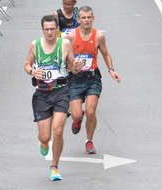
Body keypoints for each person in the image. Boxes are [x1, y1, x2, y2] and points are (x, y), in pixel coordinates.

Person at [24, 15, 82, 181]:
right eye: (46, 29)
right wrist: (32, 71)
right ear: (42, 30)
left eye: (52, 29)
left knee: (58, 131)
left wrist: (76, 67)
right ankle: (43, 142)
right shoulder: (35, 45)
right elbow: (27, 64)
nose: (49, 32)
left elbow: (73, 66)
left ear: (57, 29)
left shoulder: (64, 44)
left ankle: (54, 167)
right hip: (42, 94)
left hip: (61, 92)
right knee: (45, 137)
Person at [65, 6, 121, 154]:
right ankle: (77, 118)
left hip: (92, 77)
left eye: (89, 17)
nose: (86, 20)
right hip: (75, 79)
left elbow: (106, 54)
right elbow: (62, 56)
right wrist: (70, 65)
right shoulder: (70, 37)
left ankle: (89, 141)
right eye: (83, 18)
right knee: (77, 114)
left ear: (93, 18)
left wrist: (111, 70)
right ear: (78, 20)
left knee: (91, 112)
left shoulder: (98, 37)